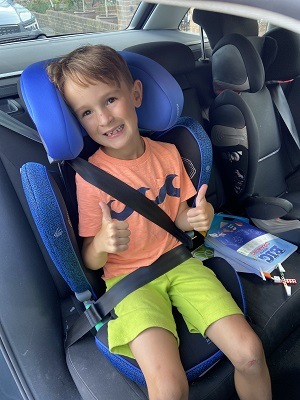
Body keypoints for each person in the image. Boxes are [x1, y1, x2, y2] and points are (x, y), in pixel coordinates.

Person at [47, 44, 272, 400]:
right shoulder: (89, 179)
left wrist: (200, 218)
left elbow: (180, 219)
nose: (103, 119)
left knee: (250, 354)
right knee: (168, 388)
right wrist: (103, 243)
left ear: (135, 94)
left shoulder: (168, 154)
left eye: (109, 100)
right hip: (129, 281)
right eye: (87, 112)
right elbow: (91, 261)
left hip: (181, 264)